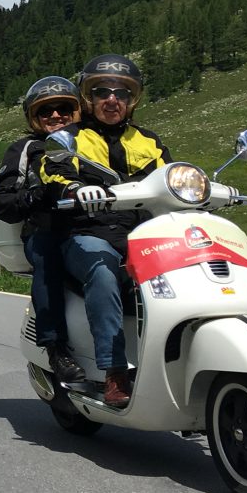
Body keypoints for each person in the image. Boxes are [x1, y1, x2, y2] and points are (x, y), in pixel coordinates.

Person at [40, 54, 172, 407]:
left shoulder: (150, 141)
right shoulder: (69, 137)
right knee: (103, 272)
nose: (112, 99)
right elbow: (52, 171)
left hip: (140, 236)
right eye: (102, 92)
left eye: (121, 93)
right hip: (87, 234)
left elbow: (169, 178)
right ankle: (115, 372)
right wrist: (74, 188)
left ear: (132, 100)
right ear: (89, 97)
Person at [0, 76, 85, 384]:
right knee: (48, 253)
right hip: (48, 229)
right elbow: (2, 201)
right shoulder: (27, 148)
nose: (56, 115)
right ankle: (55, 346)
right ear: (34, 116)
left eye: (63, 109)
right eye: (46, 111)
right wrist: (35, 196)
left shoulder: (94, 142)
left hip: (100, 229)